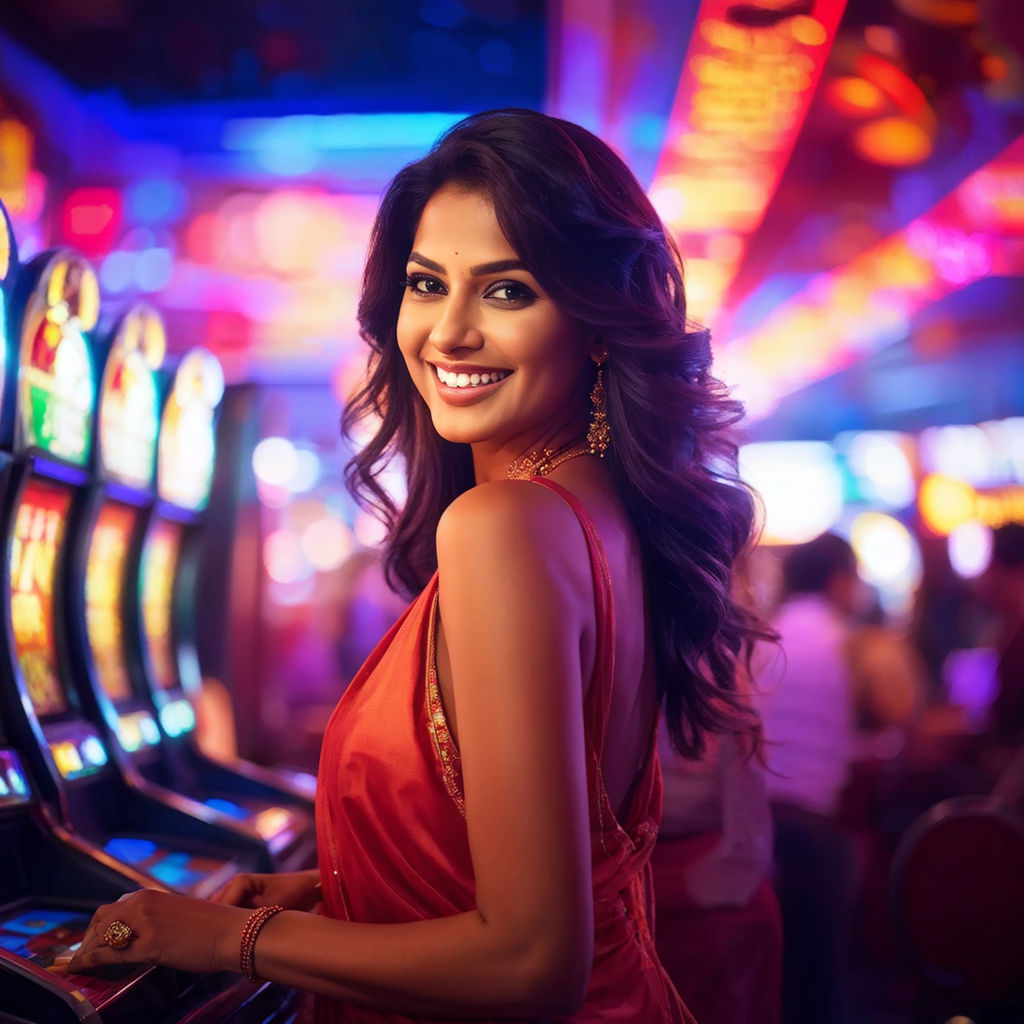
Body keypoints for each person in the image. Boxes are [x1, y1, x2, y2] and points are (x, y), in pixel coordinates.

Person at [64, 108, 765, 1022]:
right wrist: (339, 897)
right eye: (428, 283)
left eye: (508, 291)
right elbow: (536, 863)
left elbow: (531, 961)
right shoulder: (598, 514)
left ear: (596, 324)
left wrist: (222, 939)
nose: (449, 333)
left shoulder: (506, 526)